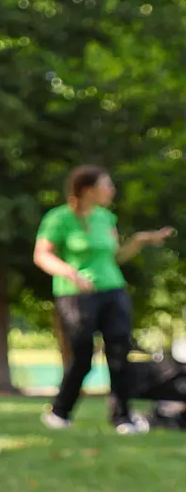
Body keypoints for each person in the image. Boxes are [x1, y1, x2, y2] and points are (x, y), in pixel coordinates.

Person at [33, 165, 176, 434]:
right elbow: (42, 255)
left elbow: (114, 257)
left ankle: (122, 417)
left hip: (113, 288)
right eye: (107, 185)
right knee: (82, 355)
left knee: (121, 352)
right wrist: (70, 273)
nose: (112, 190)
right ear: (87, 189)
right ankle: (60, 411)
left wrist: (141, 240)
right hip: (75, 294)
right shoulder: (59, 218)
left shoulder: (106, 218)